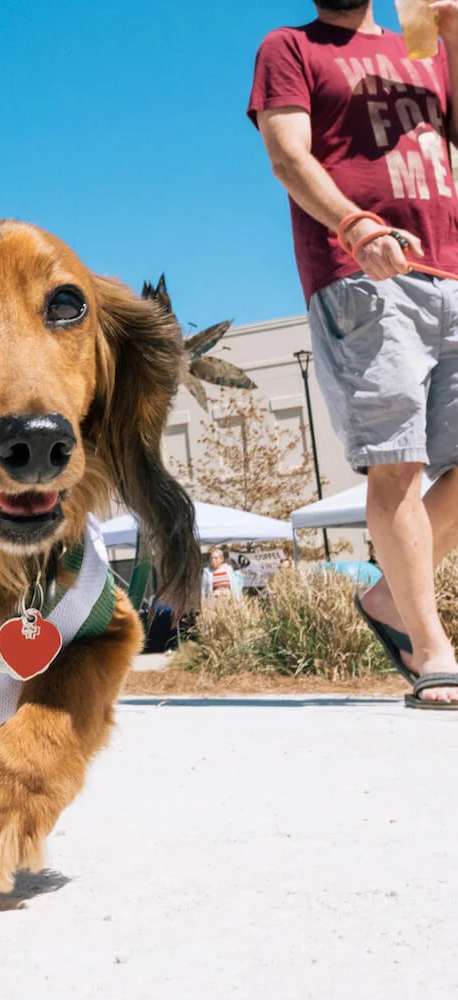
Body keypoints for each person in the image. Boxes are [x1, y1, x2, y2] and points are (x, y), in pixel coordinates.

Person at [249, 0, 458, 707]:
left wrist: (455, 38)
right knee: (397, 463)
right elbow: (287, 153)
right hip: (360, 274)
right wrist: (355, 225)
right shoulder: (291, 48)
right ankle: (432, 648)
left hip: (451, 272)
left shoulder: (424, 45)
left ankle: (390, 602)